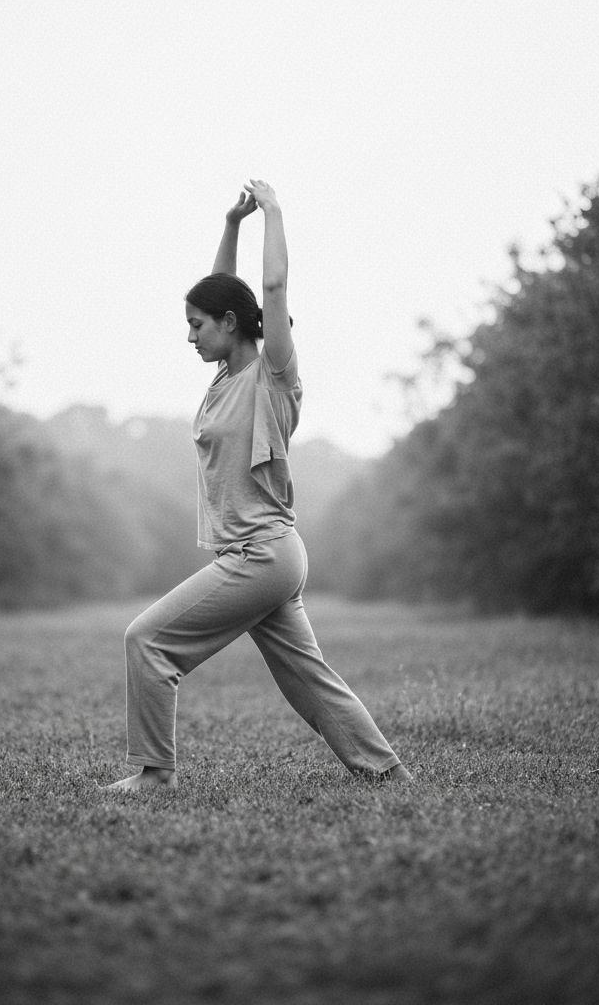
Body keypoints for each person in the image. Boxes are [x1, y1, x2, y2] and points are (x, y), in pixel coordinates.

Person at [106, 180, 412, 791]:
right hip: (266, 554)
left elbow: (268, 290)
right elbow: (223, 291)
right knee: (308, 678)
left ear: (229, 326)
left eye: (197, 326)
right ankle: (386, 773)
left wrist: (273, 211)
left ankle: (154, 774)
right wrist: (231, 224)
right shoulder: (225, 374)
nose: (189, 336)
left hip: (259, 553)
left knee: (147, 641)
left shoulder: (272, 375)